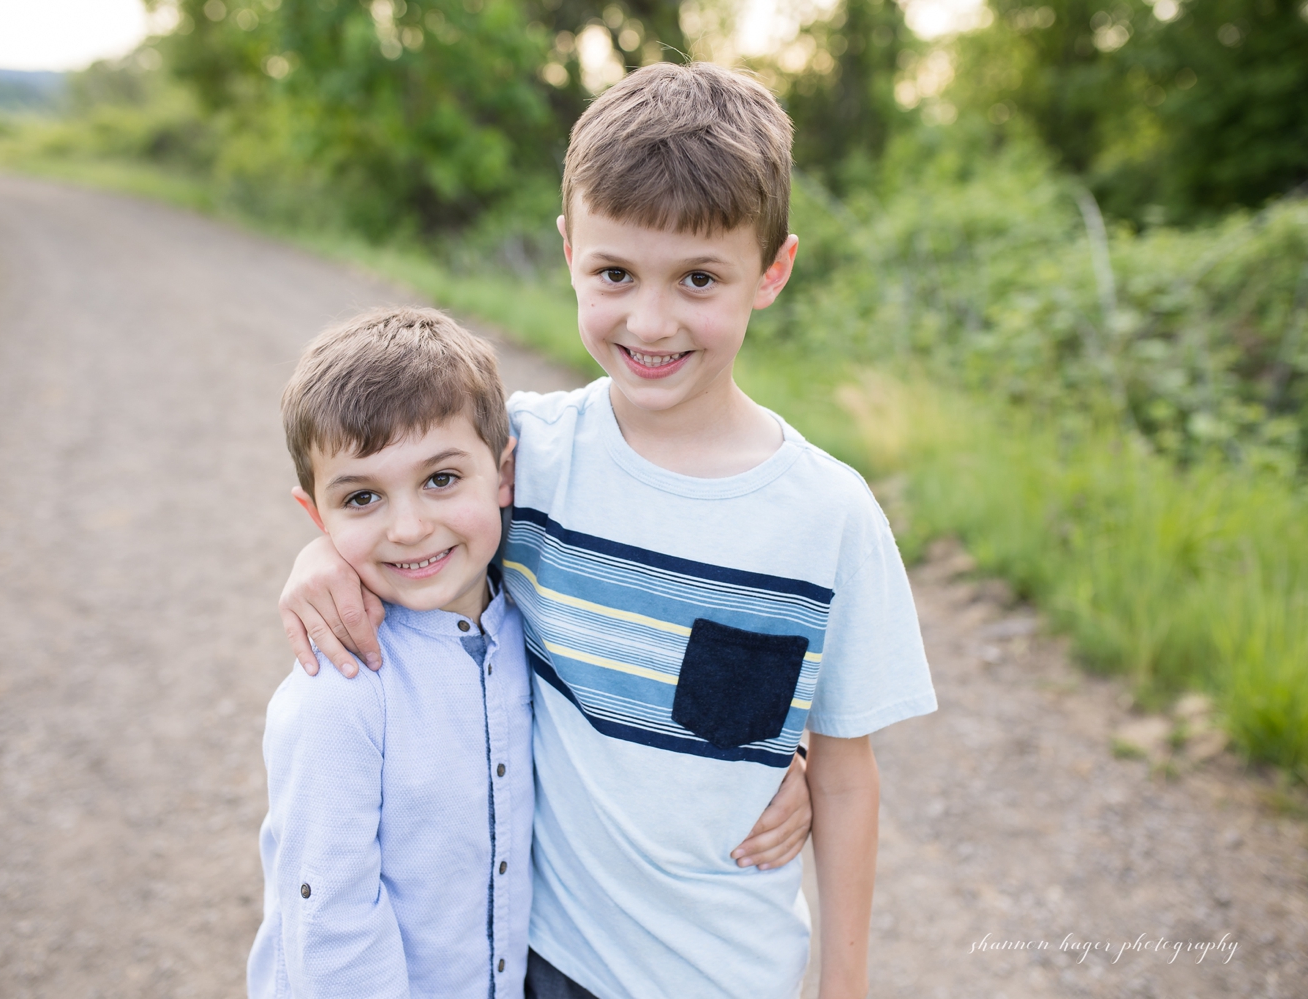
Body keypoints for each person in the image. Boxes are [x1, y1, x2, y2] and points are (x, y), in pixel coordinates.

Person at [281, 63, 937, 999]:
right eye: (615, 273)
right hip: (541, 958)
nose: (651, 320)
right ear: (568, 250)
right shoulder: (525, 454)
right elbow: (399, 503)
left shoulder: (830, 517)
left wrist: (845, 984)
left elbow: (843, 774)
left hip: (727, 974)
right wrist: (318, 557)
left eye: (699, 278)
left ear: (773, 270)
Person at [249, 308, 533, 998]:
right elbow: (331, 925)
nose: (407, 528)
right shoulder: (341, 691)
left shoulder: (528, 623)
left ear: (503, 474)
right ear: (316, 516)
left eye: (440, 479)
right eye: (362, 497)